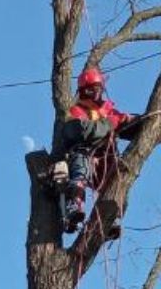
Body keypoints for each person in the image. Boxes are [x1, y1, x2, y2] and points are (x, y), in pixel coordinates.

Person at [52, 66, 141, 232]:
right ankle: (74, 206)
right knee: (80, 169)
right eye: (95, 89)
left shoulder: (108, 112)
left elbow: (128, 126)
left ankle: (110, 219)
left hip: (106, 161)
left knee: (119, 182)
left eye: (100, 88)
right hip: (85, 158)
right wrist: (111, 123)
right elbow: (86, 131)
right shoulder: (77, 111)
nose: (99, 92)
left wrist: (147, 118)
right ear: (86, 91)